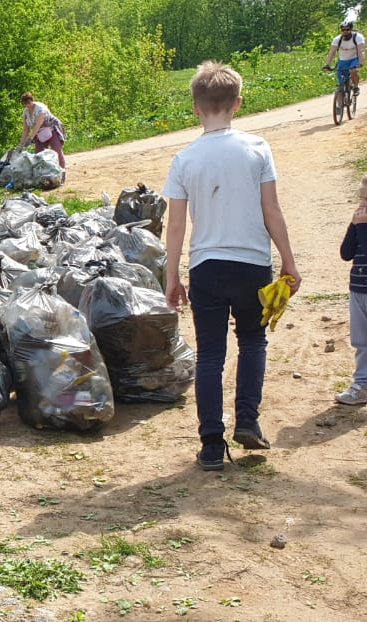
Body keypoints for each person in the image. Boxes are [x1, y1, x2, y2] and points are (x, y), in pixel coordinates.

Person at [162, 61, 301, 471]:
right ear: (237, 103)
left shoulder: (184, 159)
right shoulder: (257, 148)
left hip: (206, 267)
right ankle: (248, 421)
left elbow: (175, 227)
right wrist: (289, 262)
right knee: (253, 343)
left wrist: (173, 277)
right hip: (252, 264)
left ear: (195, 108)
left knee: (209, 356)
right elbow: (271, 210)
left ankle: (209, 444)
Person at [336, 174, 367, 405]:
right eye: (361, 199)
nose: (362, 205)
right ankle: (362, 384)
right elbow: (346, 253)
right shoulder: (360, 222)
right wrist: (354, 226)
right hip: (358, 289)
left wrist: (363, 227)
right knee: (361, 341)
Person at [17, 92, 67, 169]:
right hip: (39, 134)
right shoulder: (26, 112)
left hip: (52, 130)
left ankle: (62, 170)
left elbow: (38, 124)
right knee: (39, 155)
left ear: (32, 100)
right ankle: (42, 174)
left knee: (57, 151)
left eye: (29, 102)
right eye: (25, 103)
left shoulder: (40, 108)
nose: (27, 105)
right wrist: (21, 144)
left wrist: (30, 139)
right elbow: (25, 129)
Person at [323, 21, 365, 96]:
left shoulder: (358, 37)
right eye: (343, 30)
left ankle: (355, 87)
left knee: (353, 71)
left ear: (351, 29)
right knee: (341, 85)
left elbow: (361, 51)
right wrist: (327, 65)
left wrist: (361, 63)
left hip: (354, 58)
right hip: (343, 60)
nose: (345, 31)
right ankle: (339, 106)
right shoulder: (337, 39)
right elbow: (332, 52)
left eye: (347, 29)